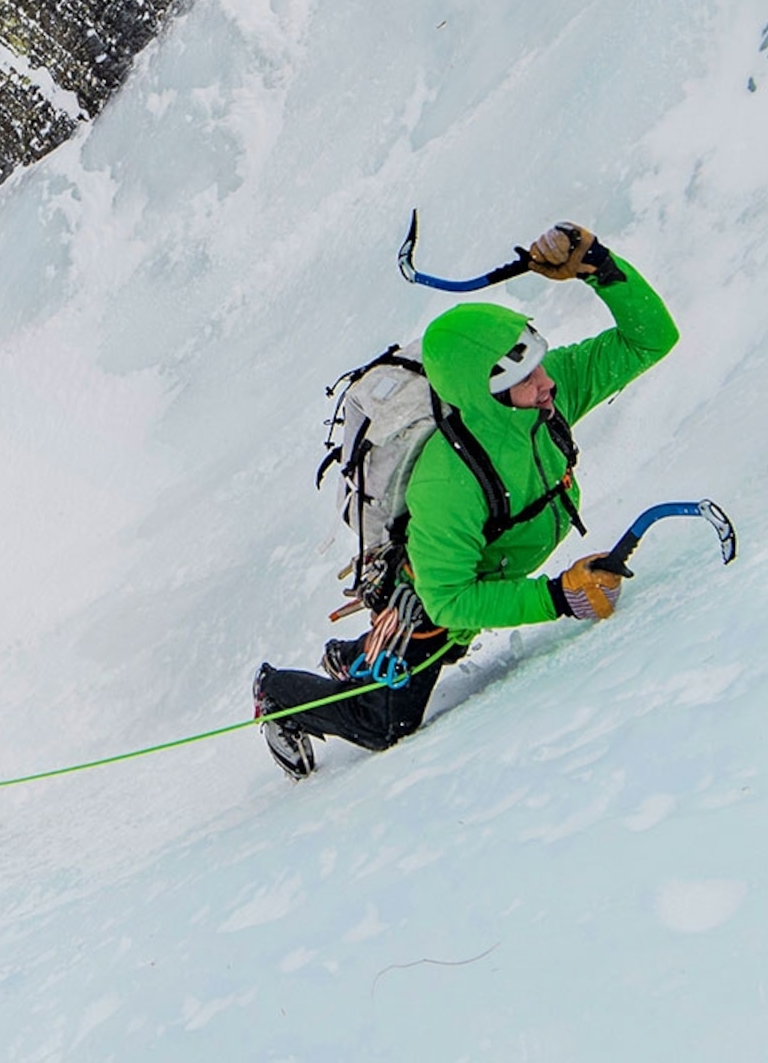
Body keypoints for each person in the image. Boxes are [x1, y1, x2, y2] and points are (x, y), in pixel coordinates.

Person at [254, 222, 678, 777]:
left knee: (451, 647)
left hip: (479, 572)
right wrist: (556, 598)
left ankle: (356, 657)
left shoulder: (550, 396)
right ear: (488, 393)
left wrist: (599, 266)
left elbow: (651, 339)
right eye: (525, 378)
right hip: (425, 597)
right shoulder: (446, 483)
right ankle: (280, 695)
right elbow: (452, 599)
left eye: (539, 364)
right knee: (388, 722)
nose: (547, 384)